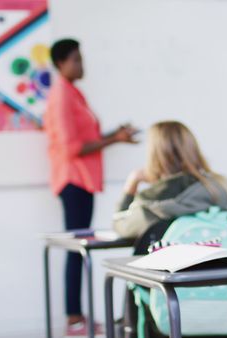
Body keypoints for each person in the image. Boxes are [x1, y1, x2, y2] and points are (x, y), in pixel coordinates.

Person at [43, 38, 138, 335]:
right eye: (76, 60)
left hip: (82, 180)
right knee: (77, 248)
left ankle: (77, 316)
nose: (82, 65)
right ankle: (74, 318)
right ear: (61, 63)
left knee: (79, 247)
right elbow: (73, 147)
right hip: (73, 180)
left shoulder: (73, 93)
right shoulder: (61, 96)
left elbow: (87, 138)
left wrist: (114, 134)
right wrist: (115, 139)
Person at [112, 120, 227, 243]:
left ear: (153, 158)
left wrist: (131, 185)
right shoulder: (220, 190)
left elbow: (120, 226)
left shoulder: (148, 204)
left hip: (168, 288)